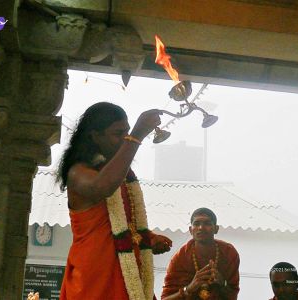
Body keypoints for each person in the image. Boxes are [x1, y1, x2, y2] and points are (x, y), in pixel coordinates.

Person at [58, 102, 172, 300]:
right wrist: (136, 135)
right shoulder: (78, 172)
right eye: (118, 134)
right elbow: (103, 186)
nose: (125, 139)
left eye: (126, 132)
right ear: (95, 136)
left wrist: (146, 238)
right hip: (94, 280)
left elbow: (120, 223)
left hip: (127, 275)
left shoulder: (124, 177)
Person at [161, 207, 240, 300]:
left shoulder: (228, 253)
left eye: (207, 223)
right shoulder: (180, 258)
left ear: (216, 229)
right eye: (196, 224)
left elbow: (233, 294)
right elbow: (165, 299)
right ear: (191, 230)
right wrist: (188, 289)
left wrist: (223, 283)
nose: (201, 228)